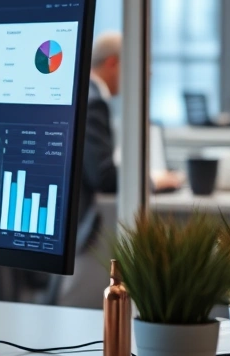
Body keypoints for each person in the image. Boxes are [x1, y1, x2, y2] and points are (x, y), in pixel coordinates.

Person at [58, 32, 181, 307]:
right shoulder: (93, 100)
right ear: (113, 63)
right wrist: (150, 180)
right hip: (80, 228)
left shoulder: (79, 92)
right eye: (138, 66)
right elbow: (101, 175)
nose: (144, 76)